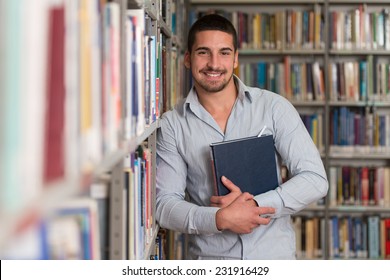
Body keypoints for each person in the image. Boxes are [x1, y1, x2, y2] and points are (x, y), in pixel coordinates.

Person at [155, 13, 328, 260]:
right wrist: (219, 219)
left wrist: (256, 207)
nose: (214, 64)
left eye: (224, 53)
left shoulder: (273, 107)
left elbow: (315, 179)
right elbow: (165, 205)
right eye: (204, 52)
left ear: (235, 58)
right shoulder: (173, 125)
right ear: (187, 59)